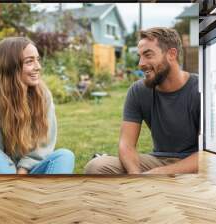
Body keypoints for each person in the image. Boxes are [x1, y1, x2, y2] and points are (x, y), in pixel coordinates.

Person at [85, 27, 200, 174]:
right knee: (96, 167)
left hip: (194, 163)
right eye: (140, 56)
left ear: (171, 54)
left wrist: (159, 173)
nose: (141, 63)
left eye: (148, 55)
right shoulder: (139, 91)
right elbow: (126, 144)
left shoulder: (200, 89)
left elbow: (211, 155)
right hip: (157, 160)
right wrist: (136, 176)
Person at [0, 37, 74, 174]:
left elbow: (44, 143)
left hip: (31, 169)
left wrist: (23, 169)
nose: (38, 67)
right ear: (10, 66)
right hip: (0, 170)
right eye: (29, 61)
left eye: (37, 59)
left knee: (65, 156)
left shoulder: (43, 95)